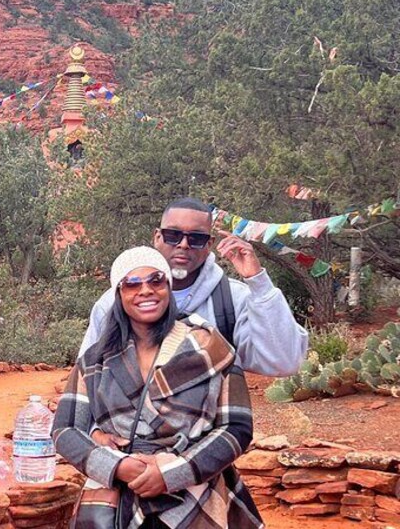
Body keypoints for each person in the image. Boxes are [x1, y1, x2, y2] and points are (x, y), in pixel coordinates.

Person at [53, 247, 262, 529]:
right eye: (132, 283)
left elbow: (237, 427)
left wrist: (172, 473)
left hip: (198, 497)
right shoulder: (95, 359)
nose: (146, 290)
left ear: (168, 287)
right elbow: (65, 429)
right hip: (118, 499)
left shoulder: (210, 347)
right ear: (119, 293)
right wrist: (118, 467)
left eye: (156, 280)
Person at [78, 198, 308, 378]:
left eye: (196, 238)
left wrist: (258, 281)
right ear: (157, 237)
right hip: (127, 424)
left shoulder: (233, 299)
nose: (183, 244)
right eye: (173, 235)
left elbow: (285, 363)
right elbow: (85, 377)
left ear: (209, 245)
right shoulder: (116, 301)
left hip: (210, 424)